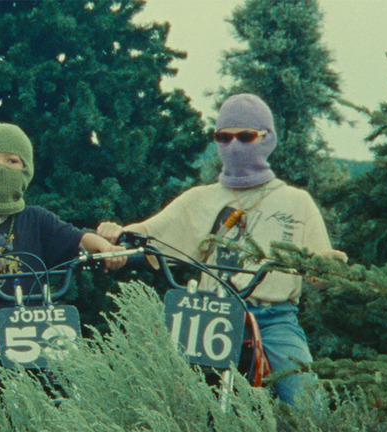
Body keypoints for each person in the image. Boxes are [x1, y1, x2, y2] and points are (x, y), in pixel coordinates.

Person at [96, 93, 347, 406]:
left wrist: (328, 267)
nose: (234, 146)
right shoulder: (200, 198)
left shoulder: (296, 201)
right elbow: (150, 232)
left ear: (267, 139)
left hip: (273, 317)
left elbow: (317, 272)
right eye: (223, 137)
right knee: (166, 394)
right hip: (209, 312)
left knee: (307, 402)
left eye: (245, 137)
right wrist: (118, 234)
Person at [0, 122, 127, 367]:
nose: (0, 167)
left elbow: (77, 237)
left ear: (26, 168)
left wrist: (106, 248)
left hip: (33, 345)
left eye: (12, 161)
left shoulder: (37, 219)